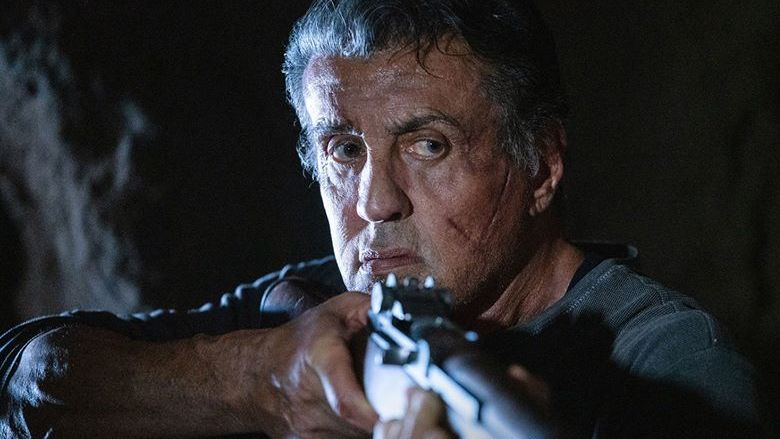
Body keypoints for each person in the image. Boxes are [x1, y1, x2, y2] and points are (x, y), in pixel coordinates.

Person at [0, 0, 762, 438]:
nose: (374, 201)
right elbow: (23, 379)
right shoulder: (318, 315)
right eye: (343, 149)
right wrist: (254, 377)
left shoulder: (669, 363)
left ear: (542, 165)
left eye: (429, 145)